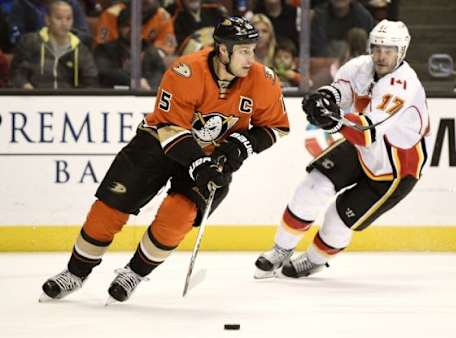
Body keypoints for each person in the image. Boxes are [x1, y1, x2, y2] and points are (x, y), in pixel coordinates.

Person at [41, 16, 289, 303]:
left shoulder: (263, 79)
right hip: (157, 143)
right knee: (109, 209)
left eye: (253, 50)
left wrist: (241, 144)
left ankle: (133, 273)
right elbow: (170, 128)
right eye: (244, 50)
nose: (251, 58)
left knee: (179, 215)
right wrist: (199, 164)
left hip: (212, 154)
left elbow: (276, 127)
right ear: (223, 50)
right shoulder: (186, 71)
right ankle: (75, 273)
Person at [254, 20, 432, 279]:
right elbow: (342, 91)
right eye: (377, 48)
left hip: (395, 168)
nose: (381, 55)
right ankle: (280, 250)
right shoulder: (361, 66)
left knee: (337, 219)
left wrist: (331, 119)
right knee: (313, 186)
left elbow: (366, 133)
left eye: (389, 50)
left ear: (401, 51)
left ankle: (313, 260)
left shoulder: (403, 86)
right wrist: (324, 98)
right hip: (363, 150)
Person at [9, 0, 98, 89]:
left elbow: (91, 81)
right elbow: (17, 73)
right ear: (47, 20)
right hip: (34, 98)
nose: (64, 24)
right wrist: (24, 85)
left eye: (68, 19)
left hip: (69, 100)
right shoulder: (30, 42)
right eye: (59, 18)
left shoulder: (80, 49)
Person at [94, 6, 166, 89]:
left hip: (146, 97)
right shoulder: (105, 49)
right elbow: (104, 72)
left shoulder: (150, 49)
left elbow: (160, 72)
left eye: (136, 25)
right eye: (127, 26)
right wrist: (132, 81)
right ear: (119, 28)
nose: (132, 29)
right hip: (115, 97)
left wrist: (150, 86)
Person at [7, 0, 92, 46]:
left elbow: (85, 37)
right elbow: (16, 39)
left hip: (68, 56)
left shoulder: (71, 3)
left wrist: (63, 38)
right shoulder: (21, 5)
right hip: (34, 60)